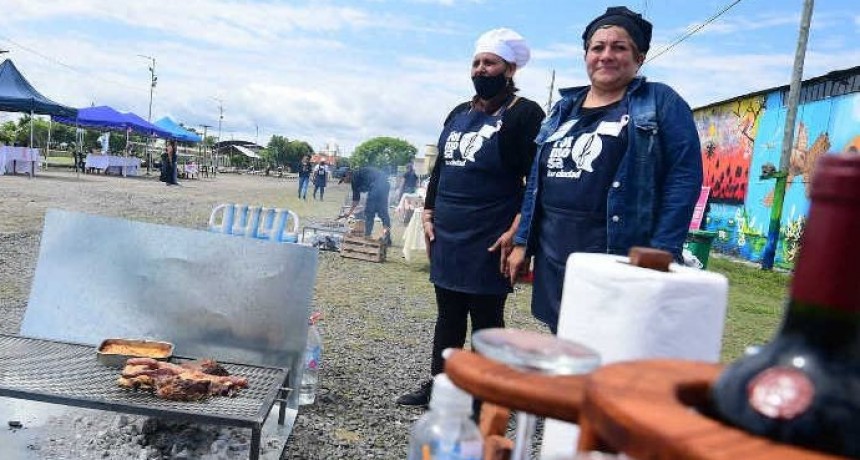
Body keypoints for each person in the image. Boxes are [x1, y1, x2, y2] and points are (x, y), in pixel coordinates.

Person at [507, 6, 704, 333]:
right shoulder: (563, 109)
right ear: (586, 55)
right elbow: (536, 183)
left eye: (619, 47)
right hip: (557, 256)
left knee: (612, 345)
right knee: (565, 340)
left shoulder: (661, 102)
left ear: (639, 57)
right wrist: (523, 241)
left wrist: (660, 254)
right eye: (597, 47)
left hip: (618, 257)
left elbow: (684, 180)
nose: (606, 55)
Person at [397, 28, 545, 406]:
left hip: (491, 232)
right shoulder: (458, 113)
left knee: (485, 317)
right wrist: (428, 211)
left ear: (509, 69)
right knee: (447, 312)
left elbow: (536, 180)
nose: (481, 69)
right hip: (448, 229)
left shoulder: (525, 114)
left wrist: (518, 228)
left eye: (490, 63)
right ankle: (440, 385)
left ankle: (485, 393)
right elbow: (442, 167)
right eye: (477, 62)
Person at [339, 166, 392, 245]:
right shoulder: (359, 173)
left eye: (343, 179)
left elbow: (355, 201)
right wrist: (349, 213)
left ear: (347, 174)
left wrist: (349, 213)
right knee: (383, 212)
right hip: (385, 185)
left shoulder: (354, 179)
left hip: (376, 187)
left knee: (369, 212)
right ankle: (386, 234)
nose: (344, 181)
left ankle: (367, 236)